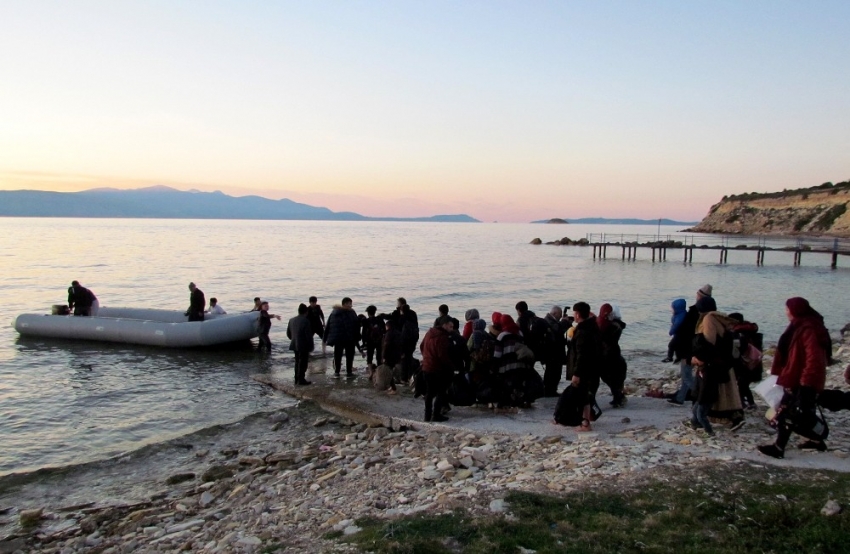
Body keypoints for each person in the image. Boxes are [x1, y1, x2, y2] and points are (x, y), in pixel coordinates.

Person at [758, 298, 831, 459]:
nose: (786, 312)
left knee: (788, 412)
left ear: (795, 310)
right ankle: (817, 440)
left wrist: (806, 382)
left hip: (802, 379)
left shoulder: (807, 329)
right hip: (799, 376)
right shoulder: (803, 325)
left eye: (787, 309)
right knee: (804, 411)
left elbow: (813, 358)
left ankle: (779, 448)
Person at [668, 285, 715, 405]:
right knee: (686, 375)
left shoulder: (695, 312)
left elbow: (686, 333)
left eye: (698, 295)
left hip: (689, 349)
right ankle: (680, 398)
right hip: (696, 348)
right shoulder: (710, 313)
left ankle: (702, 395)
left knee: (687, 375)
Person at [567, 302, 602, 431]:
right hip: (594, 366)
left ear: (577, 314)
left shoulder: (582, 331)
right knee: (586, 395)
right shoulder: (593, 326)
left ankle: (585, 423)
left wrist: (576, 373)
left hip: (584, 369)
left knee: (582, 396)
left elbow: (581, 354)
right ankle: (586, 420)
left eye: (574, 313)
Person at [420, 315, 456, 422]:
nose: (452, 329)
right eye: (450, 326)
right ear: (444, 325)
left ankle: (427, 415)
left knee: (429, 393)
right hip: (437, 368)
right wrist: (451, 366)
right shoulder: (442, 337)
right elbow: (442, 355)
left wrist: (426, 357)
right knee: (441, 391)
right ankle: (436, 414)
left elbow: (422, 346)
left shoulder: (429, 333)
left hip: (427, 367)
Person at [598, 303, 628, 407]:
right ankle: (618, 397)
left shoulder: (609, 326)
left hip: (608, 354)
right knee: (613, 377)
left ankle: (618, 397)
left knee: (607, 376)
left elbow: (602, 337)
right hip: (614, 352)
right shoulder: (615, 325)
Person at [324, 297, 362, 378]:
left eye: (351, 303)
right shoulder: (351, 312)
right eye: (349, 303)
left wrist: (325, 338)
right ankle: (348, 372)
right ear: (344, 304)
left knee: (338, 355)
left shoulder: (334, 313)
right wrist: (358, 337)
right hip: (349, 338)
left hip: (338, 338)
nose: (351, 305)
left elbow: (328, 325)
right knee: (349, 355)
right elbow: (356, 325)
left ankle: (337, 372)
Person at [542, 306, 571, 397]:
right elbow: (557, 329)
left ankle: (552, 390)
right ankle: (549, 391)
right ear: (554, 313)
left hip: (555, 352)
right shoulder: (548, 320)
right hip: (552, 352)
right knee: (552, 372)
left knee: (556, 372)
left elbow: (559, 331)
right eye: (560, 314)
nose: (561, 316)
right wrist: (564, 322)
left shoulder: (553, 321)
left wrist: (566, 323)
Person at [286, 303, 313, 385]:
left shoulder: (291, 320)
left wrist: (293, 339)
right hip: (303, 345)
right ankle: (301, 379)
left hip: (294, 344)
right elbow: (308, 335)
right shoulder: (306, 321)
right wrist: (311, 346)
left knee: (297, 362)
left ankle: (296, 378)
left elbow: (288, 333)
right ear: (306, 312)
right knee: (303, 362)